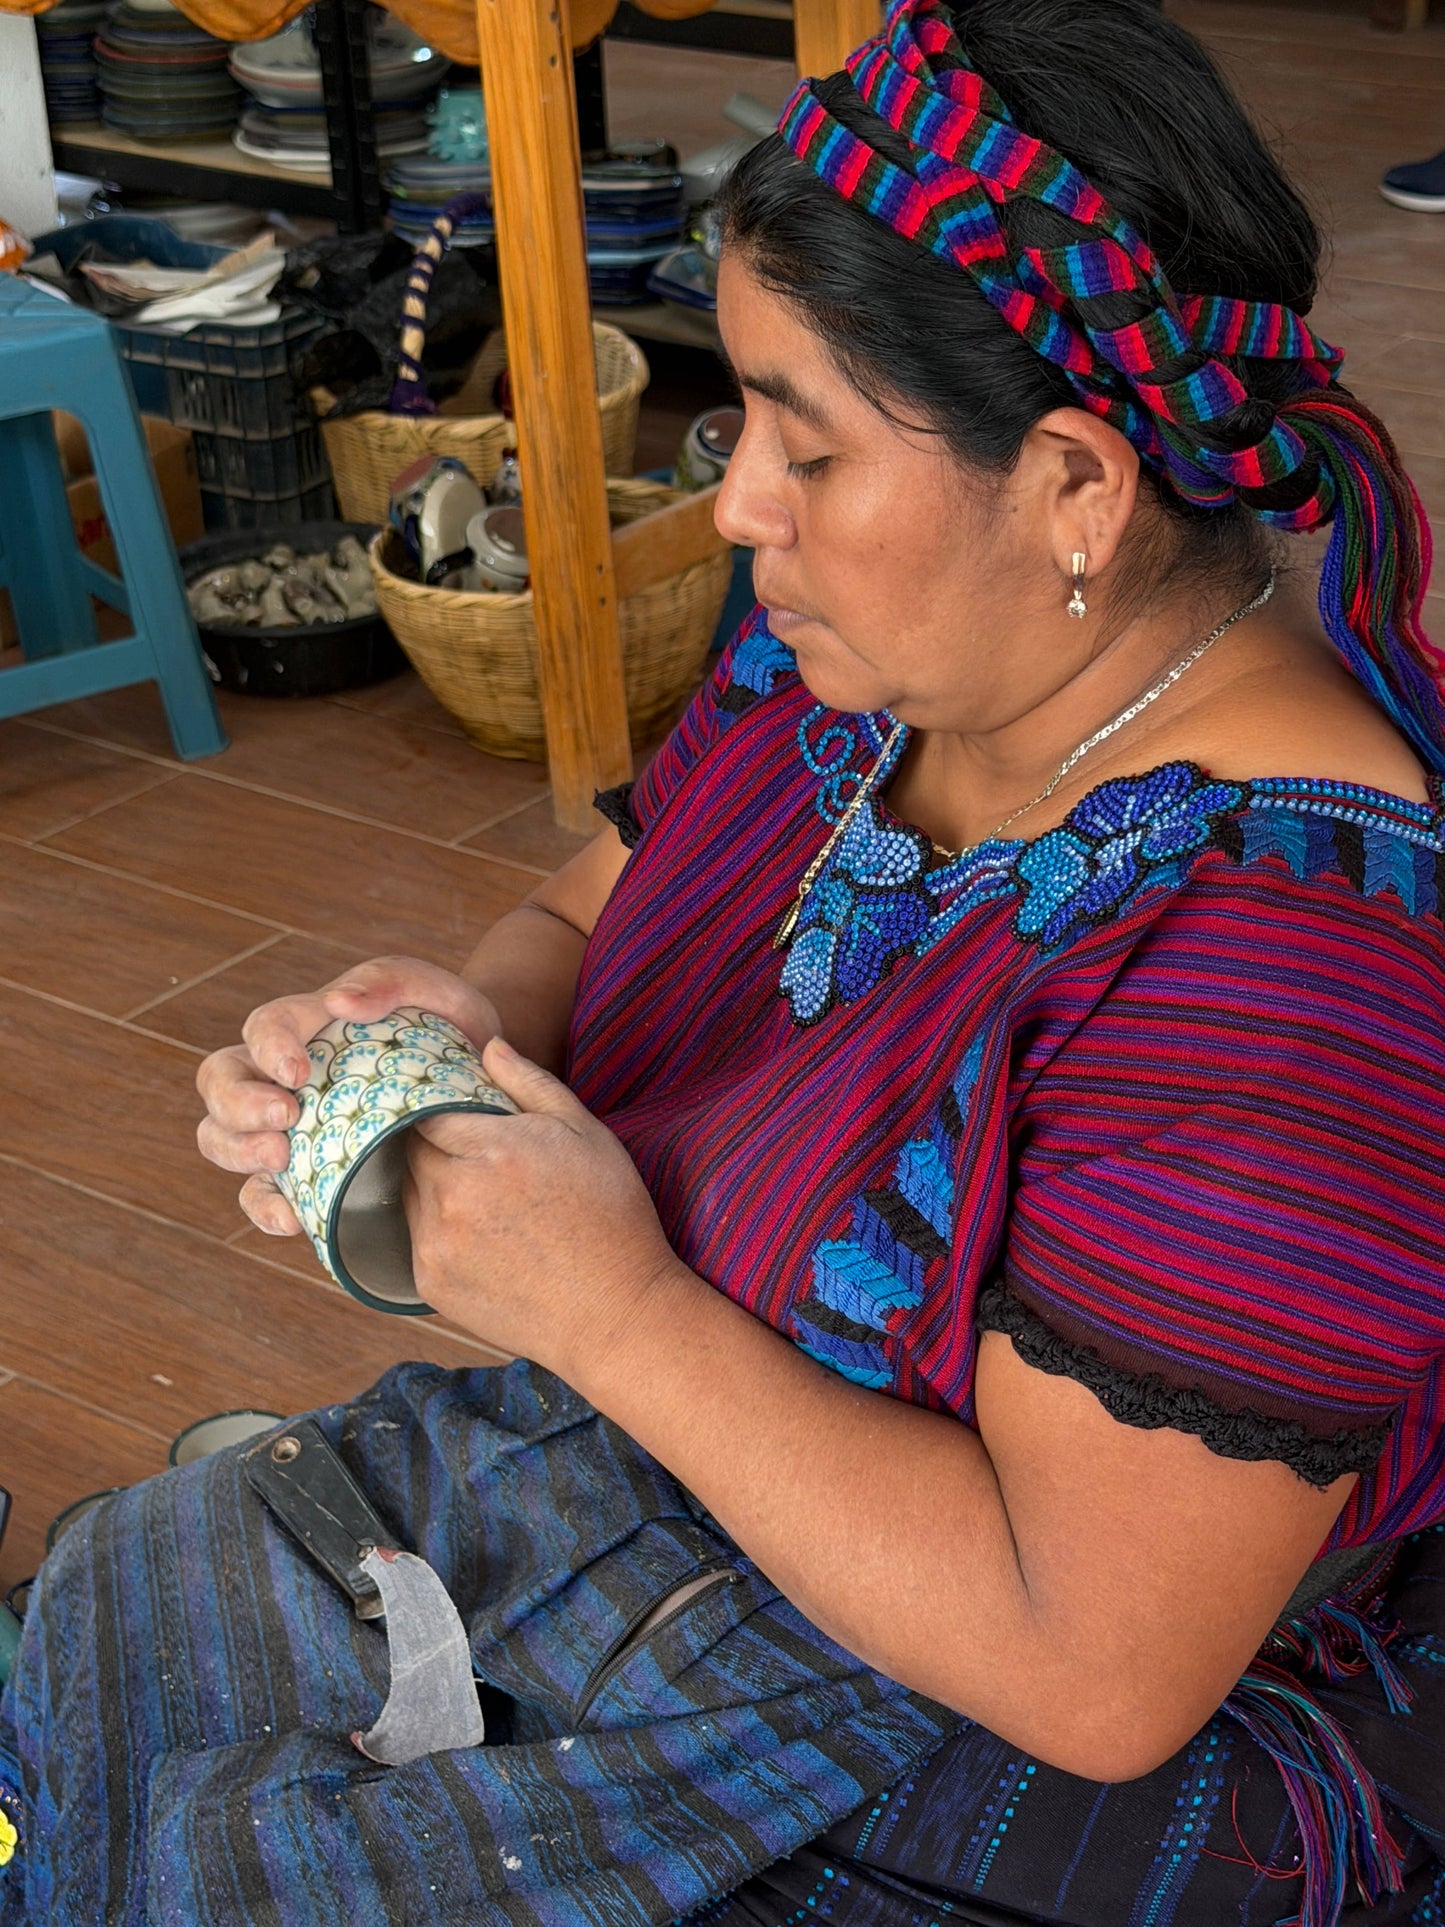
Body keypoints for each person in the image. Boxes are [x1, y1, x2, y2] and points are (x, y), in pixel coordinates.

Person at [5, 1, 1445, 1922]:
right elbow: (582, 919)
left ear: (1078, 487)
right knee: (116, 1661)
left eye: (811, 442)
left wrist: (604, 1311)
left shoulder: (1291, 971)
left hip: (981, 1716)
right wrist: (455, 1025)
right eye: (738, 411)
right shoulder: (870, 660)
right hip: (671, 1490)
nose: (738, 500)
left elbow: (1092, 1670)